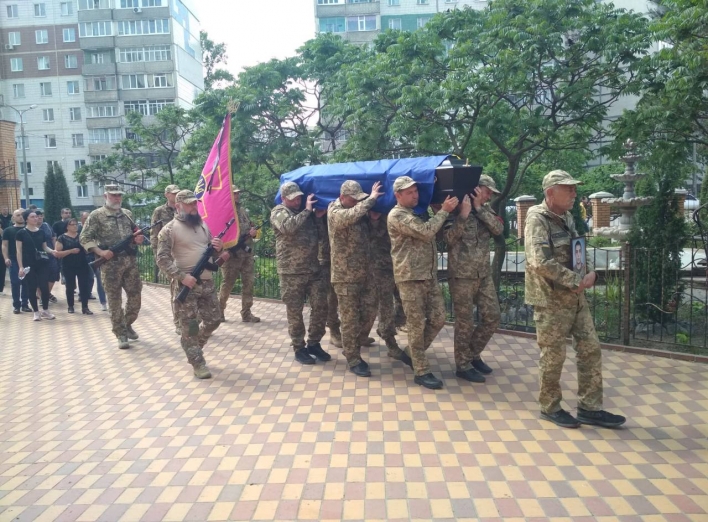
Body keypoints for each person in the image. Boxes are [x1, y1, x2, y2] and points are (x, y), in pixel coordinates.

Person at [525, 170, 625, 429]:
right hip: (551, 300)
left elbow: (577, 247)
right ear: (550, 192)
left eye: (574, 188)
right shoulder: (537, 219)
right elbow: (539, 262)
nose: (573, 193)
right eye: (567, 189)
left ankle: (590, 408)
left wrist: (589, 271)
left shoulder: (567, 216)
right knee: (553, 355)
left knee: (590, 348)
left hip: (575, 297)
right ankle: (550, 406)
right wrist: (575, 280)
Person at [388, 176, 459, 390]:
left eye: (417, 191)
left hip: (428, 275)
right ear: (398, 195)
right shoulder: (397, 215)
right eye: (409, 192)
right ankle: (421, 370)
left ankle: (411, 353)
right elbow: (427, 232)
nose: (415, 195)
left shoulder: (417, 213)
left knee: (438, 318)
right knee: (416, 325)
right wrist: (444, 210)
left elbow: (431, 229)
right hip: (410, 278)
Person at [157, 190, 223, 379]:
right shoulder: (169, 229)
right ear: (178, 206)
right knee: (190, 326)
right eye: (189, 204)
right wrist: (181, 276)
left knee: (214, 319)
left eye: (195, 203)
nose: (193, 207)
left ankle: (193, 346)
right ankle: (197, 362)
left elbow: (212, 253)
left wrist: (219, 247)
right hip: (187, 284)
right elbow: (162, 259)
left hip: (207, 282)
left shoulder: (202, 225)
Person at [444, 175, 504, 383]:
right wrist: (464, 215)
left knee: (493, 316)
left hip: (483, 274)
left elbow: (498, 230)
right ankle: (462, 365)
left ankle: (471, 354)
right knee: (465, 323)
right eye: (487, 191)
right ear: (477, 189)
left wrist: (479, 209)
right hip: (462, 275)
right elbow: (447, 240)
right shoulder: (456, 210)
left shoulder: (486, 211)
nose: (489, 196)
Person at [327, 180, 383, 376]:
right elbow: (347, 217)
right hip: (345, 275)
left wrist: (374, 221)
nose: (357, 202)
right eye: (354, 199)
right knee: (349, 318)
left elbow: (371, 237)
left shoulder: (359, 212)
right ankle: (353, 357)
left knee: (370, 311)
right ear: (342, 197)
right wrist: (371, 200)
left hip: (365, 272)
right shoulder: (334, 210)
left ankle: (353, 344)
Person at [270, 181, 330, 365]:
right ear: (284, 198)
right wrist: (306, 211)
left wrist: (318, 217)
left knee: (321, 306)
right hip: (291, 272)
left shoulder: (307, 214)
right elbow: (288, 227)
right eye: (293, 199)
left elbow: (321, 236)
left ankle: (314, 343)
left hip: (312, 269)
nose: (297, 201)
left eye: (299, 197)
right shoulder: (279, 212)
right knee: (295, 312)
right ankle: (299, 347)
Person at [80, 184, 145, 350]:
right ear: (105, 196)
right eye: (113, 195)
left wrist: (138, 239)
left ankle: (127, 323)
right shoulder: (96, 216)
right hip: (110, 264)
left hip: (129, 262)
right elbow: (85, 237)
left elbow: (135, 233)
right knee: (114, 299)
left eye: (119, 195)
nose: (117, 198)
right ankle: (120, 333)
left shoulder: (127, 214)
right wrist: (100, 252)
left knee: (135, 295)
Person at [368, 210, 412, 367]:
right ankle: (390, 343)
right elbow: (369, 236)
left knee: (406, 303)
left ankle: (387, 328)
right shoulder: (375, 213)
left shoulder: (403, 212)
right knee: (385, 307)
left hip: (400, 266)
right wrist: (374, 220)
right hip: (381, 267)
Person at [218, 187, 260, 323]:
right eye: (234, 193)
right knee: (227, 284)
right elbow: (222, 232)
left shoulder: (242, 210)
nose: (237, 195)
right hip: (231, 254)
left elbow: (247, 226)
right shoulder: (224, 210)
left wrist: (252, 231)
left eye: (238, 193)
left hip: (246, 254)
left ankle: (246, 313)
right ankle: (219, 311)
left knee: (249, 283)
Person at [16, 209, 56, 321]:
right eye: (33, 217)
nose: (36, 218)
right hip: (29, 264)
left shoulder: (41, 232)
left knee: (44, 287)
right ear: (26, 219)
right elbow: (18, 251)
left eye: (36, 217)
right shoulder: (21, 233)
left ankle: (46, 310)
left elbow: (44, 247)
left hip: (42, 263)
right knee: (32, 287)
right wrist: (20, 266)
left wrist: (53, 251)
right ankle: (36, 312)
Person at [151, 184, 181, 333]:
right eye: (173, 193)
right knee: (175, 289)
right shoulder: (159, 211)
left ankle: (190, 319)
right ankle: (178, 322)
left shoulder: (182, 209)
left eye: (177, 193)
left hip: (182, 253)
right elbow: (154, 234)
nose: (176, 195)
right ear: (167, 195)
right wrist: (159, 256)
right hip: (168, 255)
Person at [314, 209, 341, 347]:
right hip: (324, 259)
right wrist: (318, 216)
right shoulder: (317, 215)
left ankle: (359, 333)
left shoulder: (339, 211)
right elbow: (317, 234)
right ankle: (334, 331)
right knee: (329, 298)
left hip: (341, 258)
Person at [56, 218, 93, 315]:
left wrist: (88, 248)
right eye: (72, 224)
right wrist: (70, 251)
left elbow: (89, 249)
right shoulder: (62, 238)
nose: (75, 226)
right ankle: (70, 306)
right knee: (70, 286)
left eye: (76, 224)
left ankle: (85, 307)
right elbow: (57, 253)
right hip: (68, 265)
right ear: (67, 226)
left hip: (82, 264)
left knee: (84, 286)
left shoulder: (81, 237)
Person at [2, 209, 30, 313]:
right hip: (13, 259)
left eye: (22, 215)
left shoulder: (28, 230)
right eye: (18, 215)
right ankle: (16, 305)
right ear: (13, 217)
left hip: (27, 260)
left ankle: (25, 304)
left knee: (26, 282)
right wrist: (6, 258)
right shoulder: (8, 230)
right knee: (15, 282)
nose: (20, 217)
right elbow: (4, 245)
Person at [80, 211, 107, 311]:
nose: (88, 220)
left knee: (100, 280)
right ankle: (84, 299)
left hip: (97, 257)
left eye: (89, 218)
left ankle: (103, 302)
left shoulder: (96, 230)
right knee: (88, 280)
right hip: (84, 259)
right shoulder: (79, 230)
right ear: (81, 219)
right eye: (85, 218)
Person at [35, 209, 60, 303]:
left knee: (53, 273)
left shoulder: (46, 226)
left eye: (41, 215)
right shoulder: (31, 228)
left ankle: (46, 294)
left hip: (50, 253)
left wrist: (55, 250)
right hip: (38, 255)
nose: (40, 217)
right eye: (37, 216)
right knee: (39, 275)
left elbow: (53, 238)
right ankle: (41, 296)